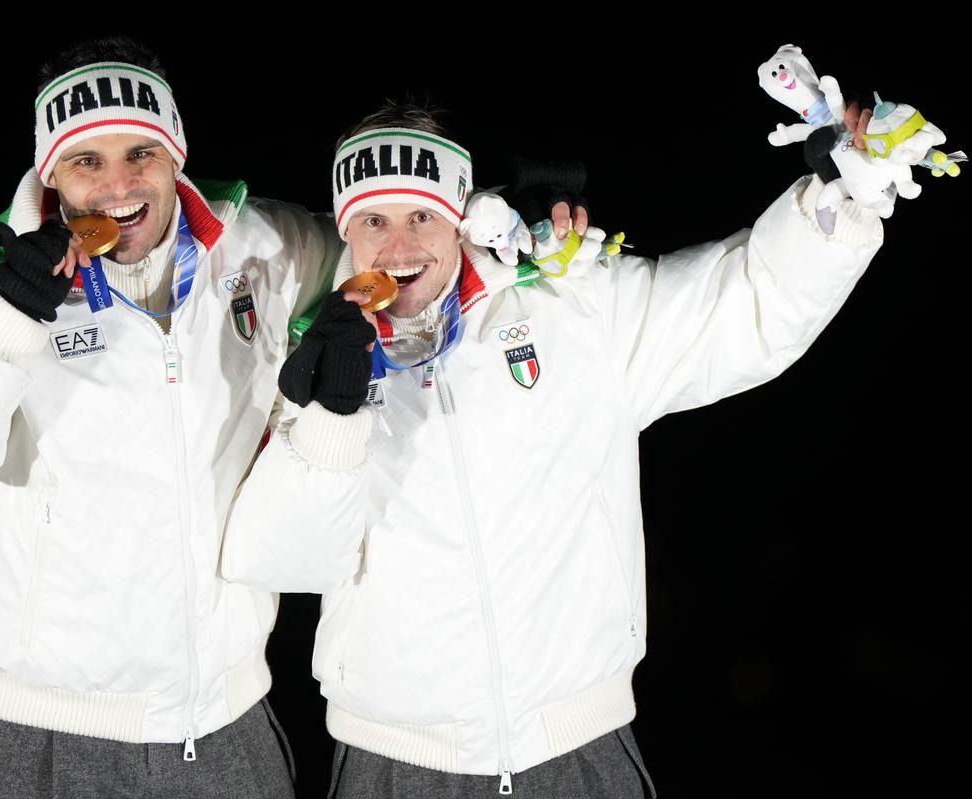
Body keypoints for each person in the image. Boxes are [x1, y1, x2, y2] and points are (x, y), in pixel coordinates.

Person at [220, 99, 894, 797]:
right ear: (344, 228)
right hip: (393, 761)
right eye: (373, 221)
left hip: (577, 746)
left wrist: (838, 198)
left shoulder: (572, 302)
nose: (399, 247)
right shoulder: (306, 354)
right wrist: (332, 414)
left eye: (421, 214)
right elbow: (286, 560)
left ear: (460, 213)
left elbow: (744, 305)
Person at [0, 36, 339, 798]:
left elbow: (393, 247)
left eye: (141, 153)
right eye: (86, 161)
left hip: (227, 714)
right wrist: (5, 315)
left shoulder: (263, 248)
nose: (118, 185)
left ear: (175, 154)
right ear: (50, 173)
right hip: (42, 725)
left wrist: (494, 230)